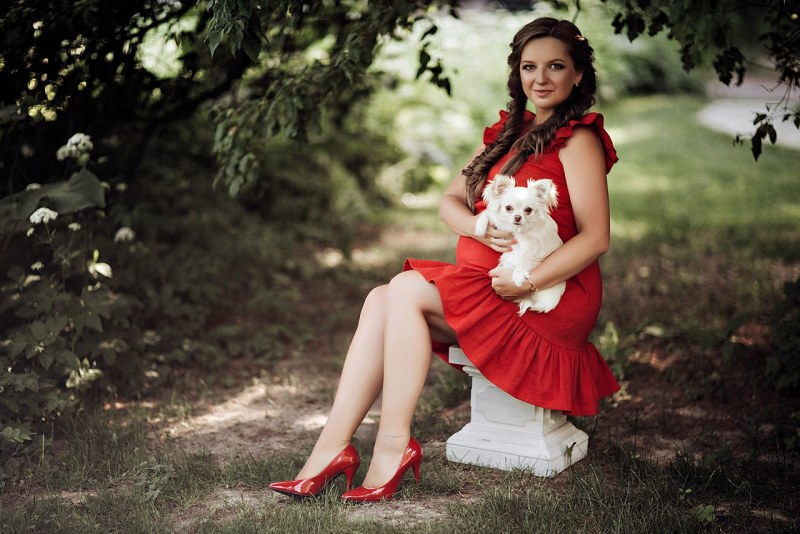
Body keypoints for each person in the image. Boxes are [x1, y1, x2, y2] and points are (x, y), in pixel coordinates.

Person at [269, 16, 620, 503]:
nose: (540, 78)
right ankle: (331, 449)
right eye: (529, 66)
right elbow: (449, 202)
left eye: (555, 66)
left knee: (405, 288)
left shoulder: (577, 139)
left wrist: (529, 281)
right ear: (517, 73)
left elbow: (596, 237)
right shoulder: (506, 132)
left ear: (578, 74)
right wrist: (480, 227)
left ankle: (393, 446)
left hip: (544, 297)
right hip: (492, 283)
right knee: (380, 297)